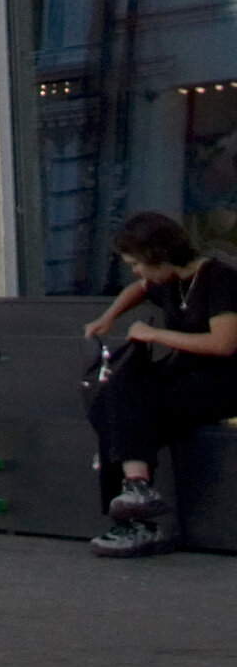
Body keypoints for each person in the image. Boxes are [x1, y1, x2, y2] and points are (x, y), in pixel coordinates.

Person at [85, 210, 237, 552]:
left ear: (158, 255)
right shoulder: (167, 281)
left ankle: (136, 517)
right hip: (184, 374)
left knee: (129, 408)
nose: (136, 271)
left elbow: (224, 344)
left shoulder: (219, 278)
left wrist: (155, 334)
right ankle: (136, 491)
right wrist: (108, 317)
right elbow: (137, 290)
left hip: (222, 380)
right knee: (111, 400)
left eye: (137, 263)